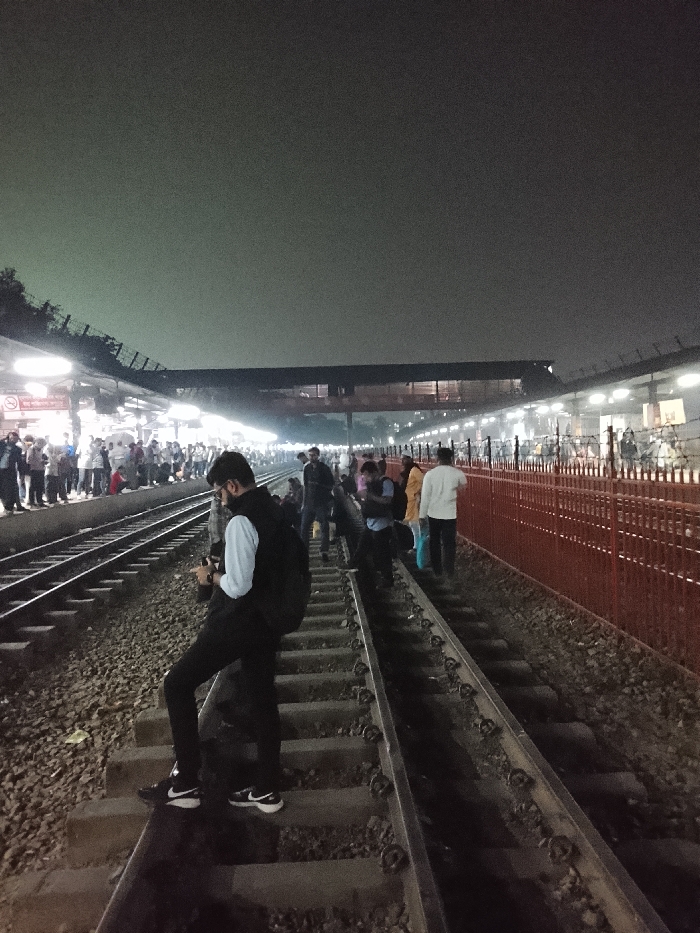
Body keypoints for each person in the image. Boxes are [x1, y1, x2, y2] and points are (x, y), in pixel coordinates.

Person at [138, 452, 286, 812]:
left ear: (232, 486)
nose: (220, 499)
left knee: (177, 684)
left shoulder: (240, 522)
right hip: (268, 620)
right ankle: (267, 789)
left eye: (219, 492)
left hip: (239, 622)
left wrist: (213, 576)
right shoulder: (272, 508)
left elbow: (238, 586)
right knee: (263, 700)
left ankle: (186, 783)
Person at [419, 446, 466, 579]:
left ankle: (437, 570)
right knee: (449, 543)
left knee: (434, 542)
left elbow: (425, 497)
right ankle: (449, 570)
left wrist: (422, 516)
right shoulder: (458, 473)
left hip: (433, 513)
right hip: (450, 514)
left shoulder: (430, 475)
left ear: (437, 458)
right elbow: (463, 488)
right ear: (451, 458)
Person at [346, 461, 394, 587]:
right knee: (362, 545)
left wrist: (371, 496)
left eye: (367, 475)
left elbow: (387, 500)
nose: (365, 478)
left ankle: (387, 579)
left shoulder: (386, 483)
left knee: (382, 553)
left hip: (383, 524)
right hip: (371, 522)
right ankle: (353, 565)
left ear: (374, 472)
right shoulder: (370, 484)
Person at [300, 447, 335, 562]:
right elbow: (305, 487)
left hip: (321, 503)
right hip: (309, 503)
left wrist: (319, 485)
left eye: (314, 455)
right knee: (304, 528)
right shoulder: (307, 469)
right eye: (310, 455)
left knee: (324, 526)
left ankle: (324, 551)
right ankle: (304, 552)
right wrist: (303, 503)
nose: (311, 457)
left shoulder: (325, 469)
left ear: (318, 456)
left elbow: (331, 485)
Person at [400, 454, 423, 549]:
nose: (402, 461)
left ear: (409, 459)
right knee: (412, 524)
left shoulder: (414, 470)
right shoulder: (409, 471)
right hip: (409, 501)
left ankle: (418, 547)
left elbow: (423, 481)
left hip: (414, 502)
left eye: (404, 459)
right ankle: (416, 545)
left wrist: (417, 493)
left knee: (415, 524)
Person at [0, 431, 25, 514]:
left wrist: (21, 473)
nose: (13, 441)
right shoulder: (1, 445)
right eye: (12, 439)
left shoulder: (17, 449)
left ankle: (9, 507)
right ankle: (7, 506)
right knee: (2, 490)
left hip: (10, 471)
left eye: (15, 439)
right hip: (1, 470)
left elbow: (20, 462)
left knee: (10, 490)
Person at [25, 436, 48, 508]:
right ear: (38, 443)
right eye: (42, 444)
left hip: (41, 469)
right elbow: (29, 460)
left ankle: (40, 501)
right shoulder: (31, 449)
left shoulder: (41, 450)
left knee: (40, 486)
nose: (42, 446)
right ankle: (32, 502)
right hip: (34, 470)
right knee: (33, 487)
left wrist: (43, 462)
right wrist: (39, 462)